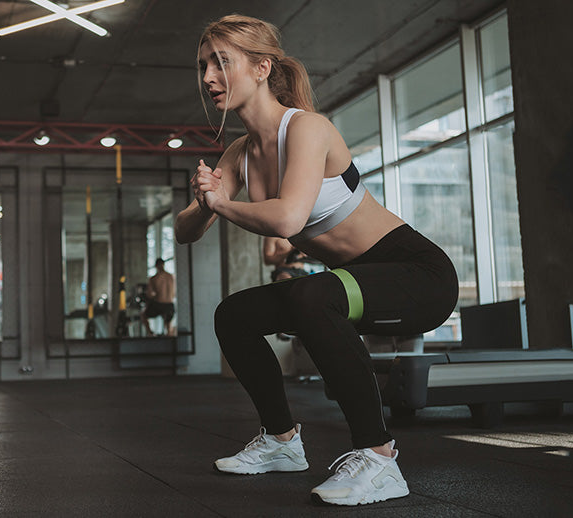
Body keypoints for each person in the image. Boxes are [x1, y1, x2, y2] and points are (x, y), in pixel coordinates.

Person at [175, 14, 458, 506]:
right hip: (353, 278)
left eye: (221, 63)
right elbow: (184, 232)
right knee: (234, 315)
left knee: (313, 295)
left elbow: (286, 219)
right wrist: (204, 203)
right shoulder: (241, 153)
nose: (208, 78)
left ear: (262, 68)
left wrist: (220, 204)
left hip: (417, 274)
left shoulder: (306, 128)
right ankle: (282, 442)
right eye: (204, 66)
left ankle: (380, 458)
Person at [140, 258, 176, 336]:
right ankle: (170, 337)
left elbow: (149, 294)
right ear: (164, 265)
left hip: (159, 304)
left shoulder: (154, 278)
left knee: (143, 315)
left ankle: (150, 333)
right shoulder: (171, 277)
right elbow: (174, 293)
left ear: (156, 266)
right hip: (170, 305)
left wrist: (154, 296)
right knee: (168, 326)